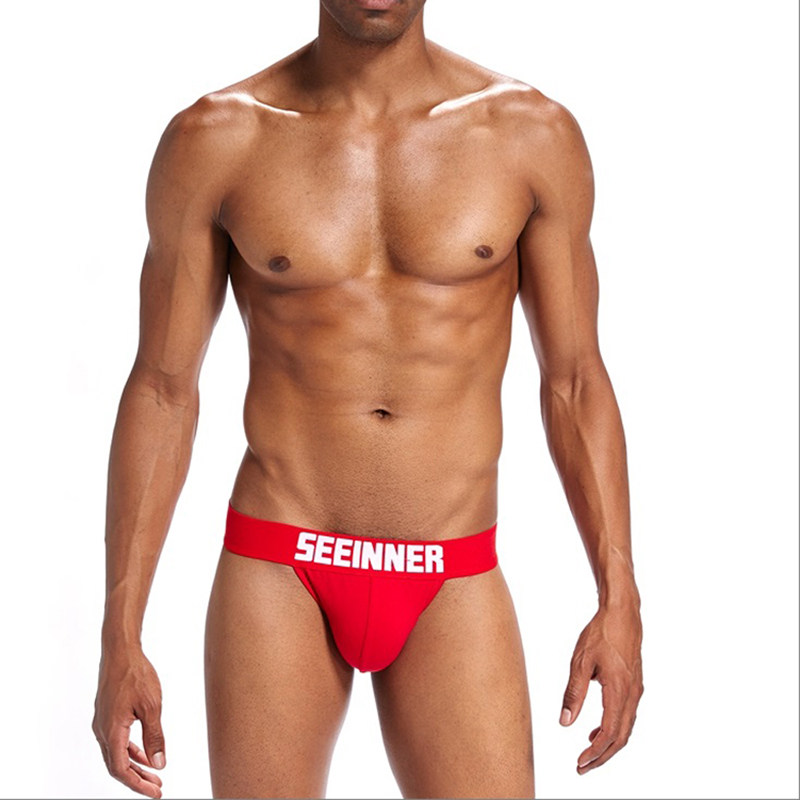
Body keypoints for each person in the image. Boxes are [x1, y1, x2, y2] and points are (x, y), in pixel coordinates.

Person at [91, 1, 644, 797]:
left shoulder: (529, 135)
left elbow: (576, 379)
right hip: (282, 559)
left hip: (451, 568)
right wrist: (120, 633)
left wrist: (619, 600)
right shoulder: (218, 139)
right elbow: (163, 389)